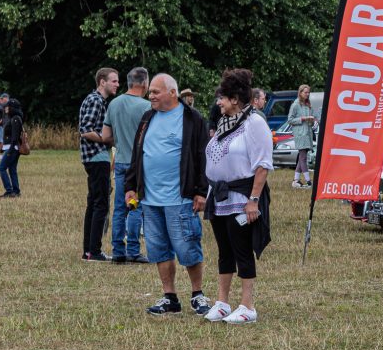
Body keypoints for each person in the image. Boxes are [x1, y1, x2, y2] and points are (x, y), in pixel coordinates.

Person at [124, 74, 211, 316]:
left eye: (155, 92)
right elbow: (137, 154)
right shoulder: (147, 118)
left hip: (181, 199)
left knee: (187, 249)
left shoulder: (192, 119)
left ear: (172, 93)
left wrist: (201, 192)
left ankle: (197, 295)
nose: (150, 95)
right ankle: (169, 297)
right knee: (158, 249)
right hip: (150, 200)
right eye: (150, 92)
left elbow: (202, 157)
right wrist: (131, 185)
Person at [203, 69, 273, 324]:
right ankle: (222, 302)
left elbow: (263, 164)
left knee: (241, 249)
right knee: (224, 250)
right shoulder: (224, 123)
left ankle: (248, 305)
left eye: (222, 97)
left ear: (235, 99)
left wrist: (253, 200)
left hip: (241, 196)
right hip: (219, 195)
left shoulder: (254, 123)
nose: (218, 102)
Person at [101, 67, 151, 264]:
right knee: (136, 207)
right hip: (139, 165)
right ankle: (133, 250)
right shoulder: (146, 107)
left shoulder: (114, 103)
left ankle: (117, 251)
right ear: (144, 83)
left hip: (120, 161)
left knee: (120, 208)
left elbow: (105, 136)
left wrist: (121, 142)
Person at [79, 68, 120, 261]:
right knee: (101, 204)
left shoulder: (99, 101)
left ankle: (88, 251)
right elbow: (85, 130)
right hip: (97, 157)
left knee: (93, 204)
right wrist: (107, 139)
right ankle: (94, 251)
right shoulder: (96, 101)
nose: (117, 84)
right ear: (102, 82)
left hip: (95, 158)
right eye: (114, 81)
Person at [287, 84, 315, 188]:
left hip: (307, 134)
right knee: (303, 157)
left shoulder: (308, 105)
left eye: (308, 92)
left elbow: (310, 122)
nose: (307, 94)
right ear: (300, 93)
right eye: (305, 92)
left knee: (301, 158)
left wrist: (311, 121)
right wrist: (303, 119)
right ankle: (308, 181)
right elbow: (290, 120)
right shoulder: (295, 105)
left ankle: (296, 180)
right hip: (300, 134)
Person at [0, 98, 24, 198]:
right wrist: (4, 148)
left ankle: (9, 191)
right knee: (12, 169)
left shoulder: (16, 118)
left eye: (8, 106)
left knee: (1, 168)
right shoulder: (14, 118)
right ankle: (16, 191)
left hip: (13, 149)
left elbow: (15, 137)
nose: (6, 108)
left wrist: (10, 150)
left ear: (13, 108)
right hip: (11, 148)